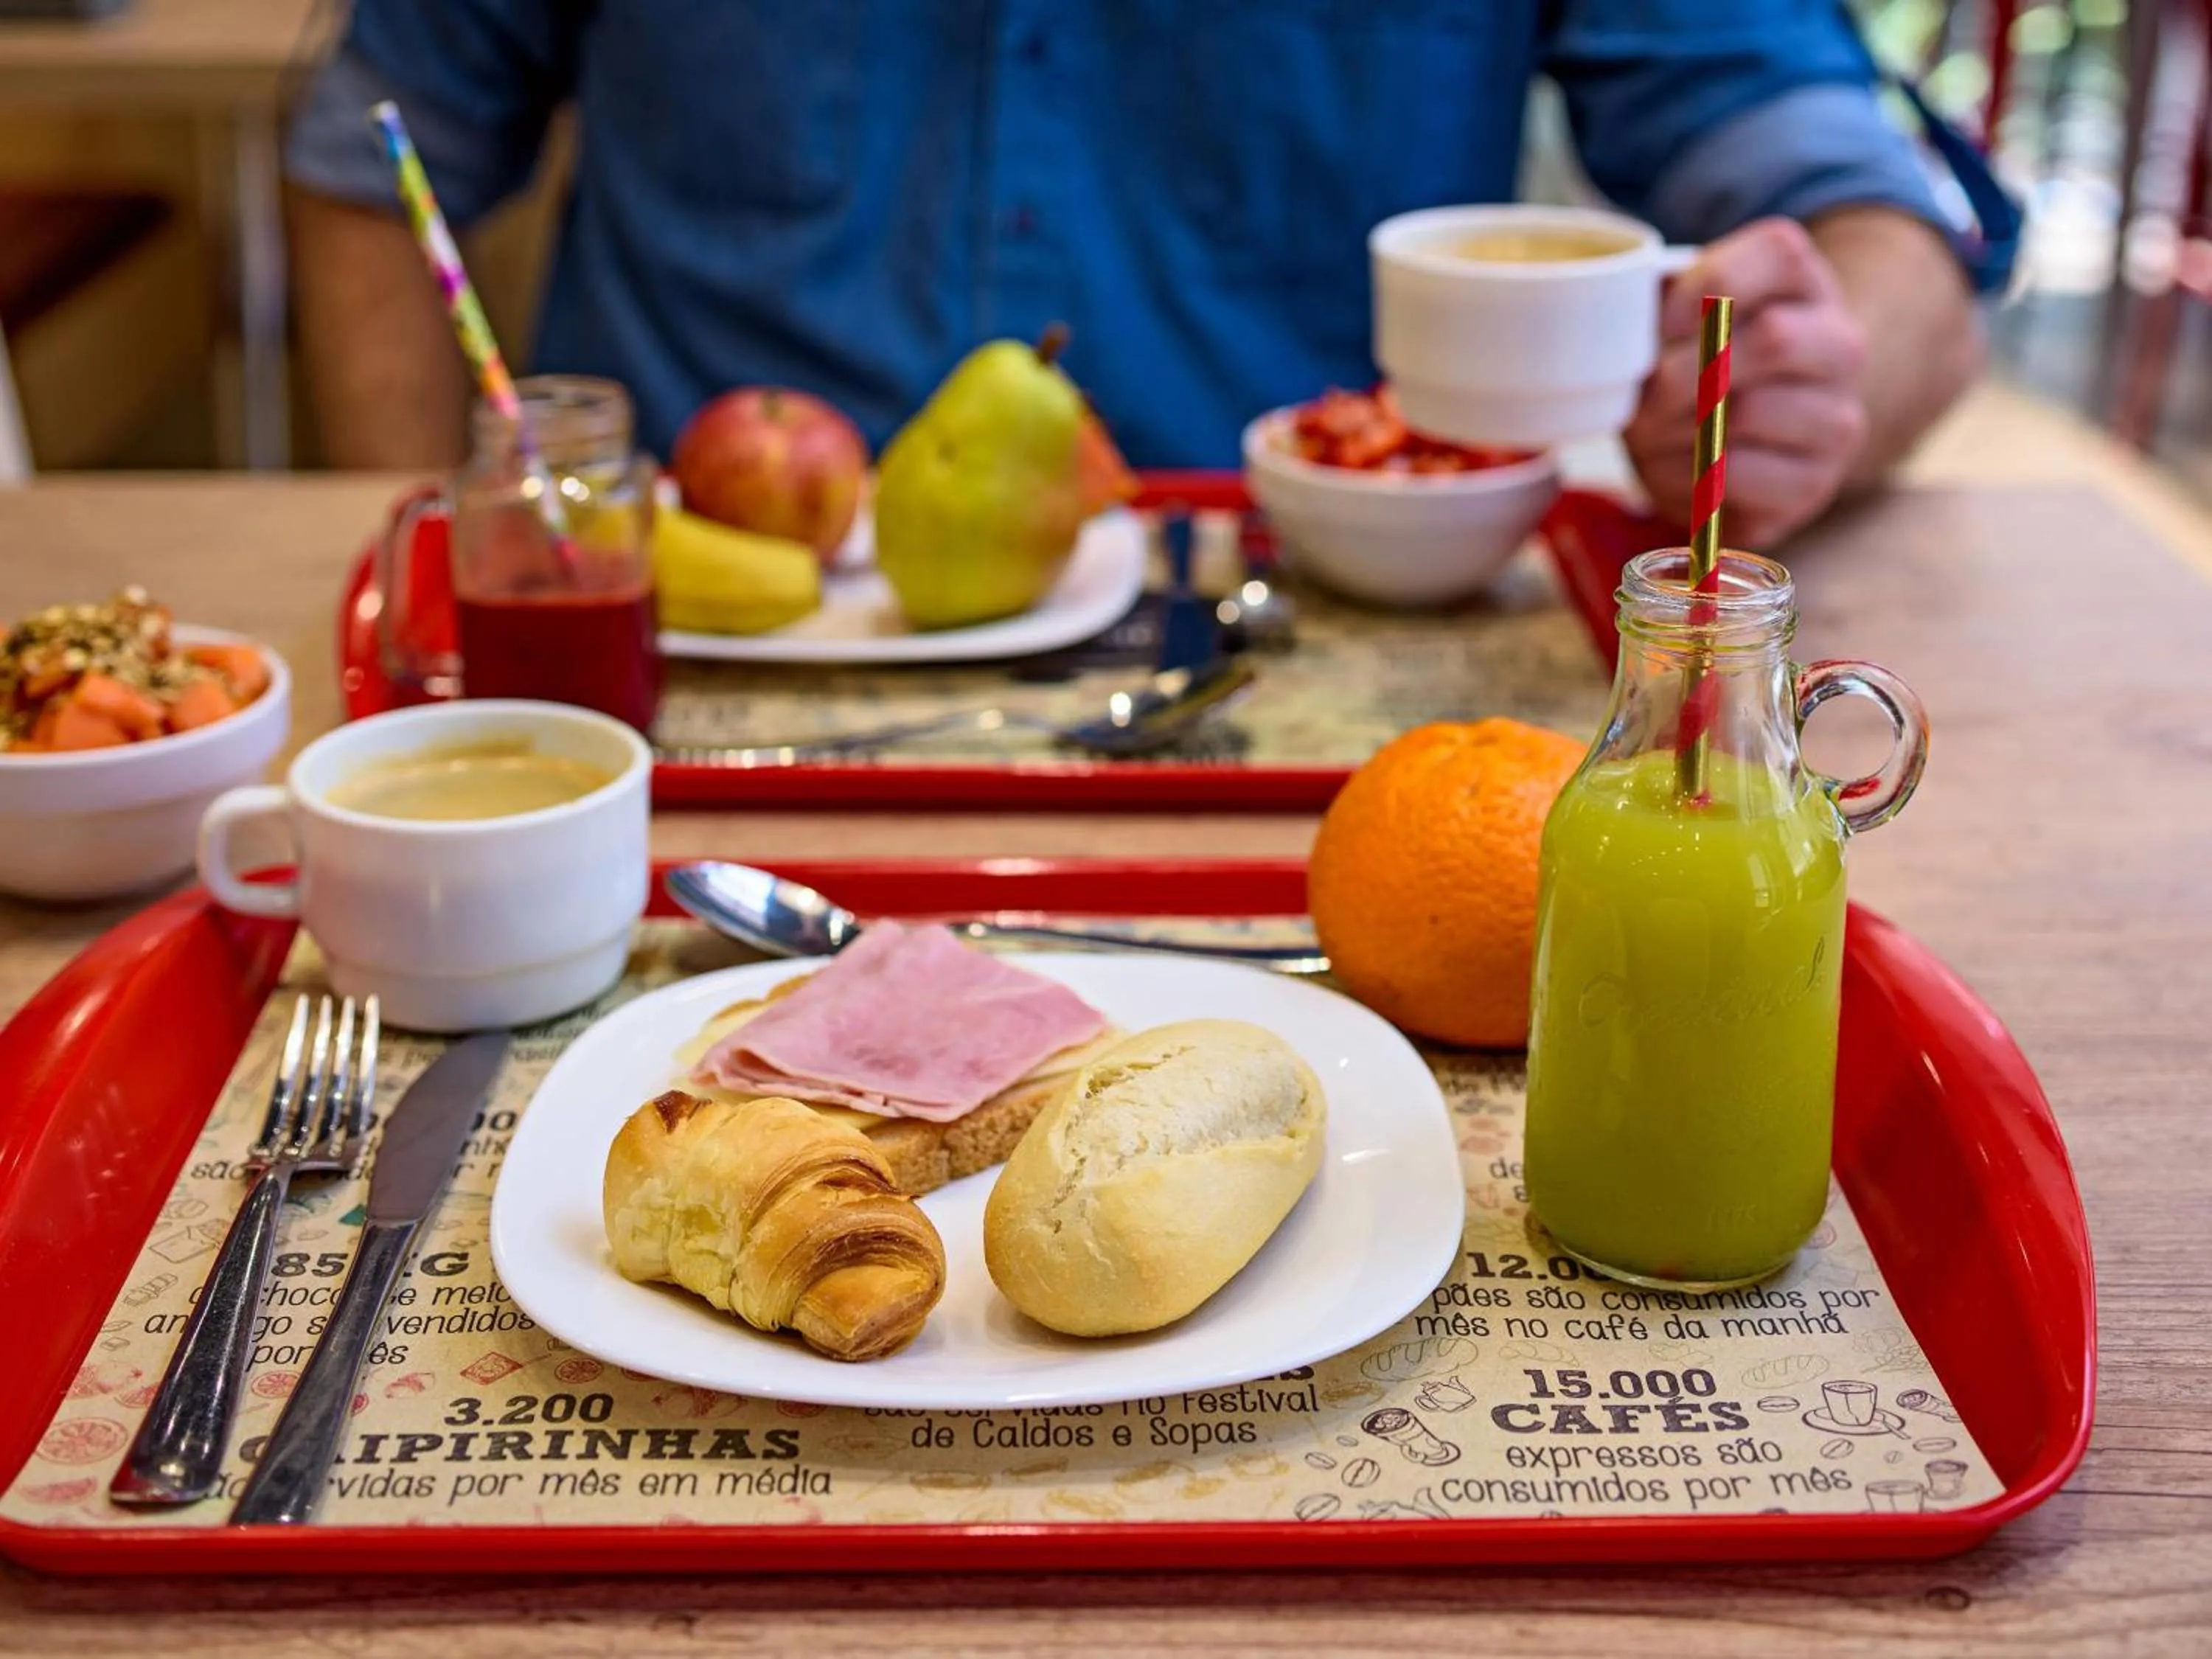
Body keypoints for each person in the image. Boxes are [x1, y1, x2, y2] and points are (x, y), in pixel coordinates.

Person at [285, 1, 1990, 548]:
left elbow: (1858, 212)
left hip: (1315, 660)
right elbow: (377, 153)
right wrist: (437, 567)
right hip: (670, 637)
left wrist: (1810, 375)